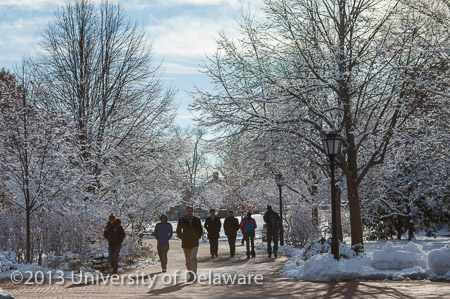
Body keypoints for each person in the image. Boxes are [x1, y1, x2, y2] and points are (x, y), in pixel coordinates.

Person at [176, 205, 203, 282]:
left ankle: (193, 274)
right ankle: (190, 274)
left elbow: (200, 230)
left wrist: (197, 237)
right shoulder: (181, 220)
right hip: (185, 242)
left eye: (191, 211)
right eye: (188, 211)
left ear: (193, 211)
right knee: (188, 260)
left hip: (194, 242)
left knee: (193, 258)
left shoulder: (196, 220)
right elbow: (178, 230)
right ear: (185, 211)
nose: (189, 212)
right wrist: (182, 237)